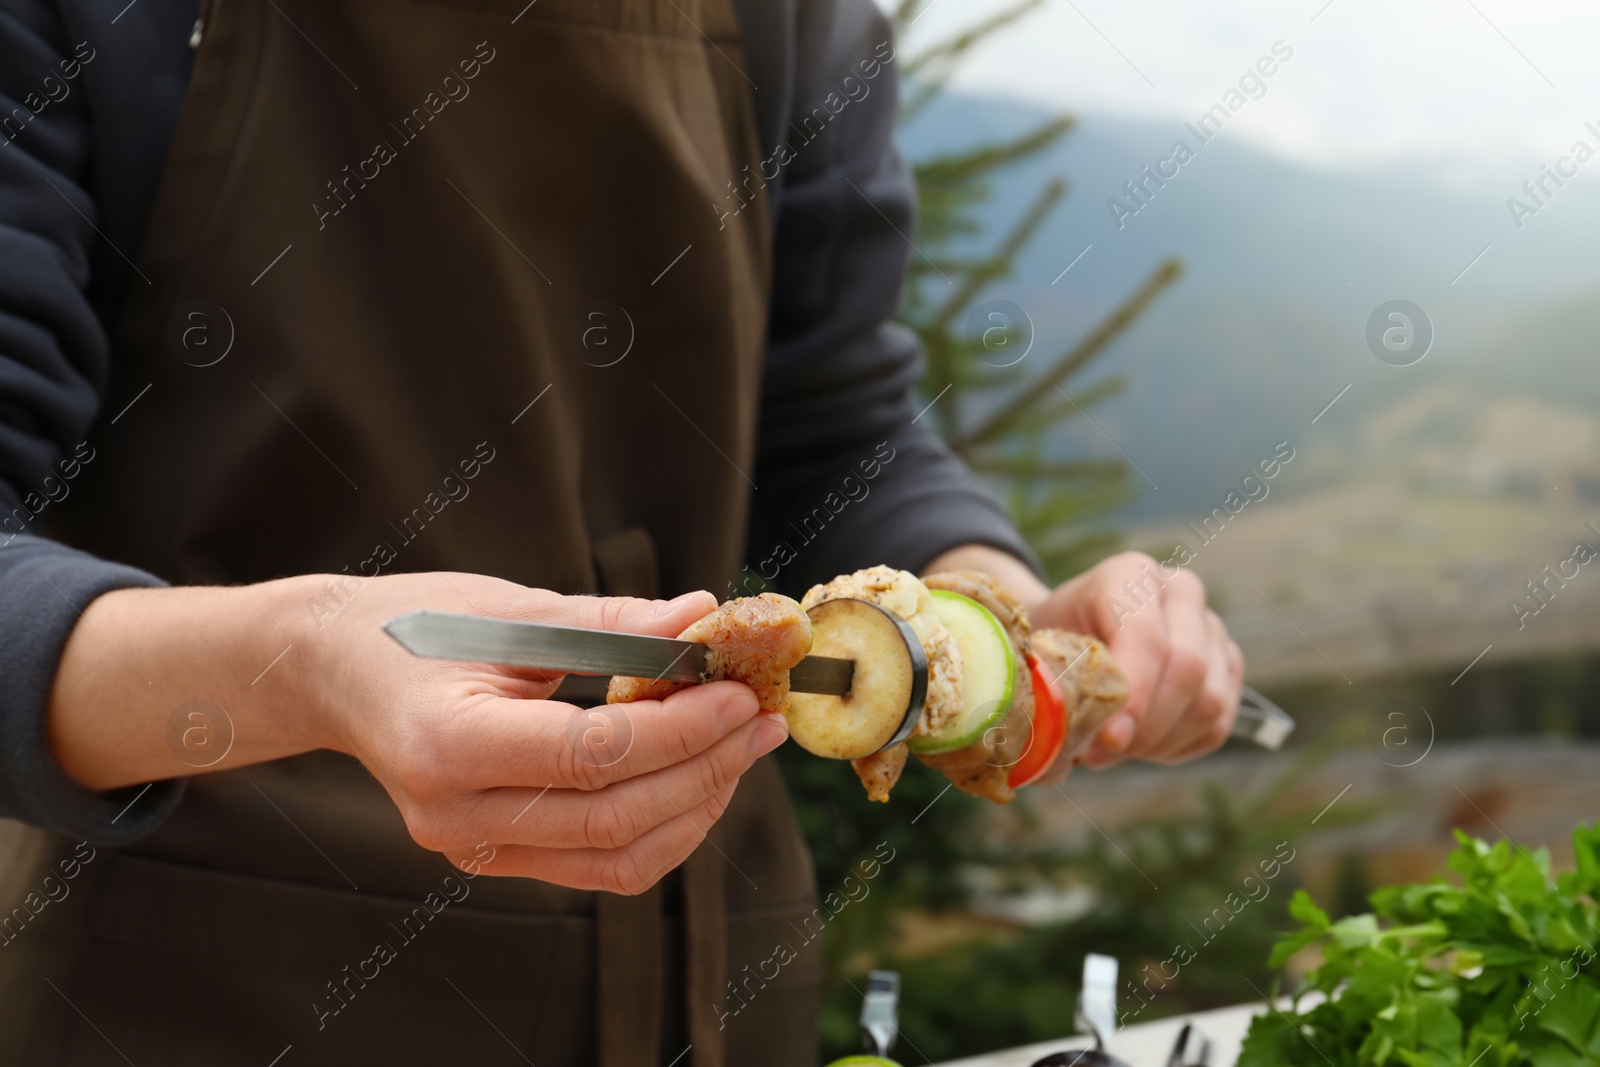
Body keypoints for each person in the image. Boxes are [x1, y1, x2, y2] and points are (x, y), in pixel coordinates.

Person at [0, 0, 1243, 1063]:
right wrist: (308, 656)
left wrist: (987, 610)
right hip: (197, 993)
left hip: (709, 988)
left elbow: (830, 424)